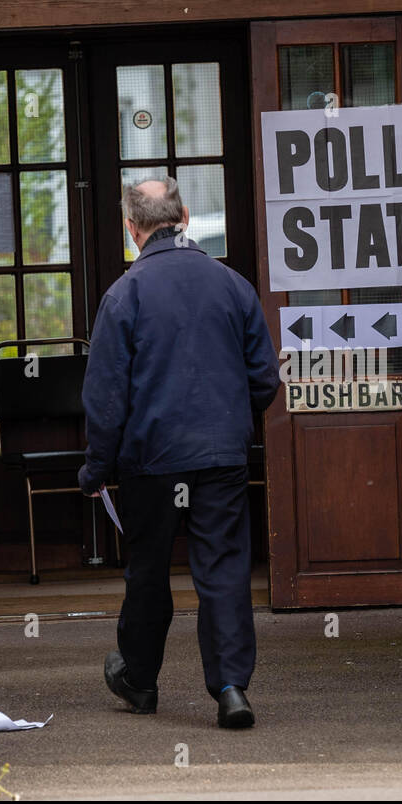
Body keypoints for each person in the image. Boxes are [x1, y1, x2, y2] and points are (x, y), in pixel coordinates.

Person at [78, 177, 280, 729]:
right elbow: (264, 378)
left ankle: (140, 680)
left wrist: (96, 468)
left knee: (147, 572)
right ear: (184, 216)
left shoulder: (125, 294)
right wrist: (232, 421)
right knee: (223, 571)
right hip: (220, 456)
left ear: (131, 227)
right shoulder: (233, 285)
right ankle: (232, 687)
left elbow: (105, 398)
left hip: (151, 461)